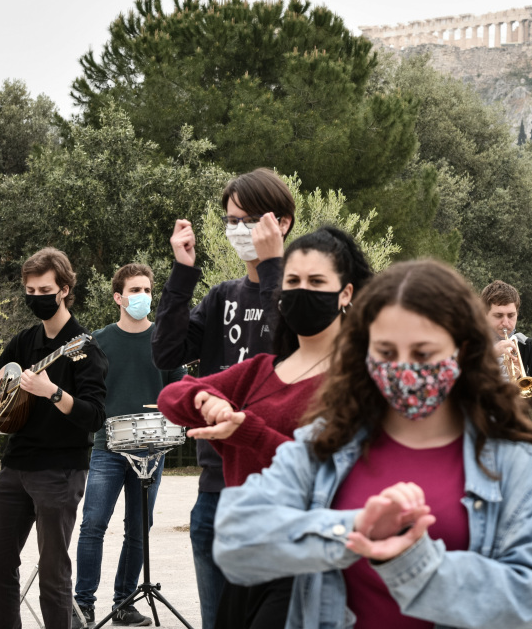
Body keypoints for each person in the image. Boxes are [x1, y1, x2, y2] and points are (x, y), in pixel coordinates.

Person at [211, 260, 532, 628]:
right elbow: (235, 539)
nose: (403, 368)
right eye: (385, 352)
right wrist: (355, 528)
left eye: (422, 353)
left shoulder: (516, 462)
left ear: (462, 350)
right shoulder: (326, 443)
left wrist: (413, 562)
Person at [159, 226, 372, 628]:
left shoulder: (358, 378)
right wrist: (205, 400)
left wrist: (246, 432)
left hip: (308, 564)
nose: (301, 290)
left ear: (345, 294)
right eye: (292, 280)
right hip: (248, 558)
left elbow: (333, 474)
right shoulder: (260, 370)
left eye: (316, 281)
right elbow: (173, 396)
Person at [151, 168, 294, 629]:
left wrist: (275, 267)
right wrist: (183, 271)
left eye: (248, 220)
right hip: (214, 489)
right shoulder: (222, 296)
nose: (238, 230)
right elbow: (167, 352)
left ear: (282, 223)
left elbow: (292, 344)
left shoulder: (303, 295)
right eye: (231, 221)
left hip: (278, 491)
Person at [0, 248, 108, 629]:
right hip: (15, 466)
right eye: (29, 291)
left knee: (53, 574)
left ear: (64, 289)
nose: (36, 298)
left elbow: (94, 416)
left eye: (44, 290)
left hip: (60, 471)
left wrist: (53, 392)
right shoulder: (25, 341)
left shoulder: (85, 349)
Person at [72, 264, 186, 628]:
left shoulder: (164, 340)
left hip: (153, 450)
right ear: (118, 297)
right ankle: (82, 606)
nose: (143, 297)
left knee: (139, 529)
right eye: (135, 290)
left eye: (148, 290)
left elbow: (179, 392)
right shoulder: (99, 341)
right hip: (108, 447)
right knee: (93, 525)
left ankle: (124, 603)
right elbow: (84, 394)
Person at [481, 280, 532, 407]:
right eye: (498, 316)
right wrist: (489, 356)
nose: (505, 323)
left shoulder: (528, 348)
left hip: (513, 423)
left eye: (511, 315)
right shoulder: (468, 344)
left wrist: (519, 380)